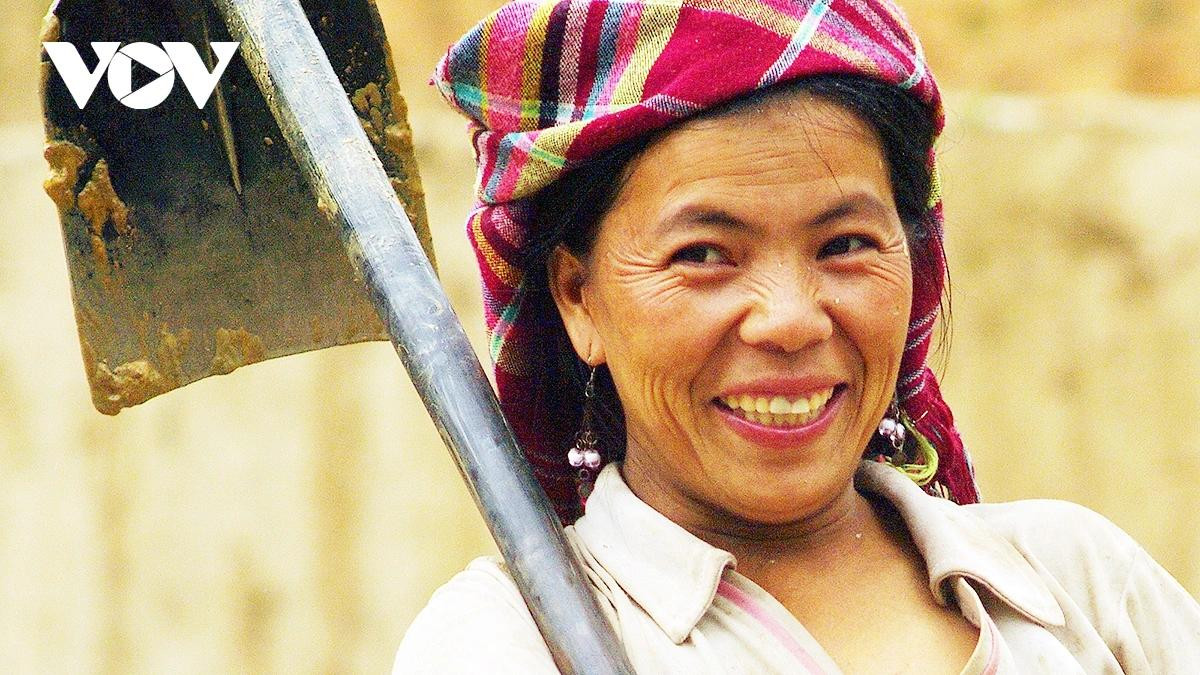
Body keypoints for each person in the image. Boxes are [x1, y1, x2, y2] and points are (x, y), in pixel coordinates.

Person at [396, 0, 1200, 672]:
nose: (789, 319)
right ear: (578, 298)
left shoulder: (1080, 585)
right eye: (703, 254)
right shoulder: (504, 640)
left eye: (844, 244)